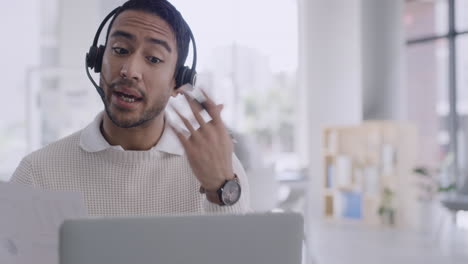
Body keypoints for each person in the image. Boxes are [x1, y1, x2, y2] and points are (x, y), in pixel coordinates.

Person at [10, 0, 250, 216]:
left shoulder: (220, 166)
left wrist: (220, 189)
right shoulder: (38, 174)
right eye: (120, 50)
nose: (129, 70)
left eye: (154, 59)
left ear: (178, 81)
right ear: (97, 60)